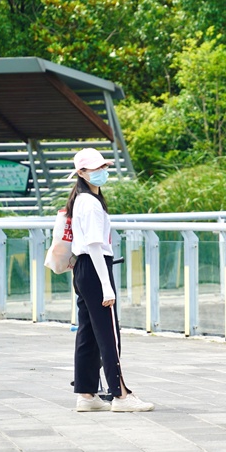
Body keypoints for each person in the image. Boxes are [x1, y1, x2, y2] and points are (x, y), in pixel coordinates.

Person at [67, 148, 154, 413]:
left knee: (87, 334)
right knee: (108, 334)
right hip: (95, 268)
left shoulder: (80, 200)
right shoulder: (90, 203)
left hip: (84, 269)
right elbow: (95, 244)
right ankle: (121, 395)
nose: (102, 171)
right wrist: (106, 286)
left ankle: (86, 394)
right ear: (81, 173)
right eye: (95, 168)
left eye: (103, 166)